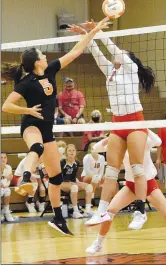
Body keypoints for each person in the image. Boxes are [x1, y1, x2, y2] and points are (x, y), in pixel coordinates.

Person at [1, 16, 109, 235]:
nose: (45, 55)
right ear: (36, 62)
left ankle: (58, 219)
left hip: (48, 128)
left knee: (56, 178)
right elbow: (6, 106)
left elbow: (76, 51)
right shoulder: (26, 82)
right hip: (31, 124)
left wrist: (94, 31)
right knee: (36, 148)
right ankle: (25, 178)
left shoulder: (50, 70)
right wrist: (28, 110)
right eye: (42, 55)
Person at [68, 21, 155, 227]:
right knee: (111, 170)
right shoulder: (111, 71)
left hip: (134, 121)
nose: (117, 55)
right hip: (118, 123)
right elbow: (96, 51)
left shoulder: (131, 68)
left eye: (121, 54)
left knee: (136, 168)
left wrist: (98, 30)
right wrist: (88, 34)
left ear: (127, 59)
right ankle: (101, 212)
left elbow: (112, 48)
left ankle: (140, 211)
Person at [85, 131, 166, 254]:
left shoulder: (142, 140)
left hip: (148, 184)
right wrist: (112, 134)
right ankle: (98, 243)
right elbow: (96, 148)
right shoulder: (121, 143)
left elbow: (158, 141)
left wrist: (145, 129)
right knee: (109, 211)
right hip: (131, 185)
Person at [60, 144, 93, 218]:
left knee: (89, 186)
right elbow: (59, 176)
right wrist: (69, 182)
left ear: (76, 152)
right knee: (74, 187)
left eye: (73, 150)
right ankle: (75, 211)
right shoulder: (62, 162)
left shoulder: (77, 163)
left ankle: (88, 211)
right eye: (69, 150)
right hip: (61, 183)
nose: (71, 152)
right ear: (66, 153)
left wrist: (76, 182)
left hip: (72, 182)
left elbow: (73, 176)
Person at [1, 153, 16, 222]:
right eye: (1, 157)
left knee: (7, 190)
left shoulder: (9, 167)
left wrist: (5, 185)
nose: (3, 159)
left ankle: (6, 211)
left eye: (5, 157)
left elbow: (9, 180)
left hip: (4, 186)